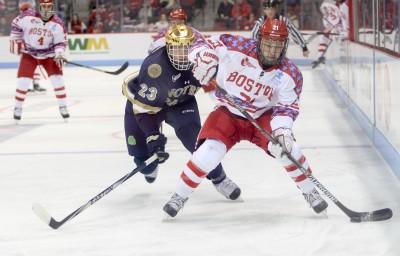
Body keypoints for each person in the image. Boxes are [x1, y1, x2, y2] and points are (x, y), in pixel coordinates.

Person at [163, 19, 328, 218]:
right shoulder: (236, 46)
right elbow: (200, 41)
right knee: (207, 153)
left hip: (262, 117)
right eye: (268, 44)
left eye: (277, 46)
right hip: (228, 112)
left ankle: (310, 191)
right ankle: (179, 196)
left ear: (285, 46)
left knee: (290, 149)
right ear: (259, 40)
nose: (272, 50)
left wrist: (282, 131)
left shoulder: (290, 74)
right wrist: (203, 57)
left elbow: (286, 108)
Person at [122, 24, 241, 200]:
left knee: (196, 141)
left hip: (181, 102)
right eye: (176, 48)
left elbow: (220, 86)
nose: (182, 53)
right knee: (145, 163)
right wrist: (153, 136)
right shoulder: (154, 68)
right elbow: (143, 109)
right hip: (146, 105)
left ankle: (219, 179)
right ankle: (150, 165)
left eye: (186, 47)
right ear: (167, 47)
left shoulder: (202, 62)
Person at [9, 0, 69, 122]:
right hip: (29, 54)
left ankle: (63, 106)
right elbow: (15, 24)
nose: (47, 9)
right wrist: (15, 39)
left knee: (58, 80)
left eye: (49, 6)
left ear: (53, 7)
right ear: (39, 7)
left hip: (48, 55)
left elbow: (60, 42)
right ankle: (17, 107)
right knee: (23, 81)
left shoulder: (58, 23)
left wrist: (59, 54)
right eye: (44, 6)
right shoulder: (27, 16)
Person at [312, 0, 349, 68]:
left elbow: (343, 22)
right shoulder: (327, 16)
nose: (327, 10)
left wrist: (342, 30)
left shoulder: (343, 7)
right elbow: (329, 26)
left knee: (329, 35)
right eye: (326, 9)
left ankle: (320, 56)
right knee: (323, 37)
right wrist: (330, 28)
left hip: (343, 31)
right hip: (338, 30)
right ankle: (320, 56)